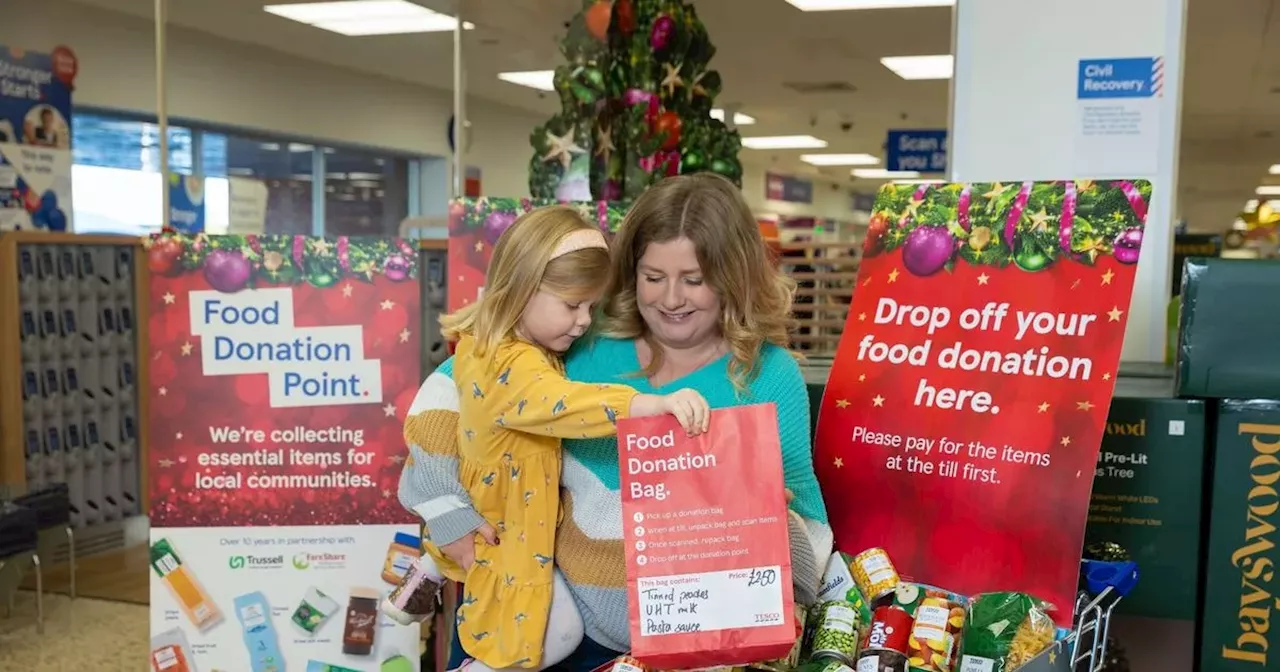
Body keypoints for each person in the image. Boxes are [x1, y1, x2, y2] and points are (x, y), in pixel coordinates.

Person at [399, 173, 832, 672]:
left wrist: (774, 521)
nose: (671, 299)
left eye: (694, 280)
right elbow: (449, 396)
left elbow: (811, 553)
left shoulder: (769, 375)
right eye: (653, 277)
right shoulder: (579, 334)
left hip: (694, 650)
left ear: (734, 276)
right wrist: (445, 511)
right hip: (535, 623)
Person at [384, 205, 710, 671]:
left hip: (502, 511)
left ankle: (424, 575)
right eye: (572, 305)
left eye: (591, 307)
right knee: (556, 631)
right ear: (521, 289)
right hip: (508, 530)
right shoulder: (514, 367)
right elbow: (559, 403)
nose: (582, 321)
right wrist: (647, 404)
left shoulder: (490, 345)